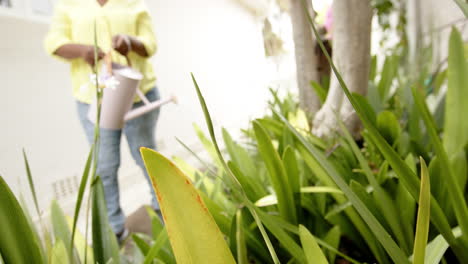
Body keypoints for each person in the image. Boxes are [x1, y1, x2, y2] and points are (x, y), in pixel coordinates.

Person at [44, 0, 161, 242]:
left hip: (138, 92)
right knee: (104, 166)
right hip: (93, 99)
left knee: (147, 156)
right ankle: (114, 229)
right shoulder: (67, 4)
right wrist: (83, 51)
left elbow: (150, 43)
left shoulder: (134, 2)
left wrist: (131, 42)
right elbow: (53, 42)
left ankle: (166, 209)